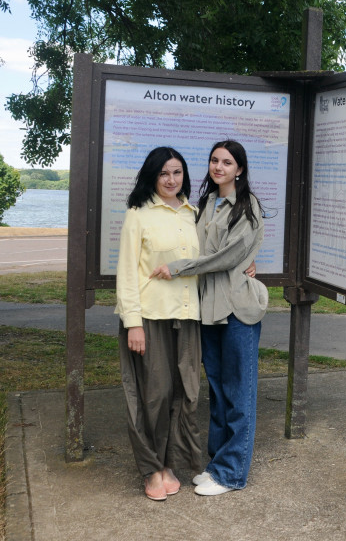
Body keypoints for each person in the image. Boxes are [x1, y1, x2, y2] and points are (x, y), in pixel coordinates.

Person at [151, 140, 268, 497]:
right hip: (208, 311)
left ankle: (232, 474)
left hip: (237, 311)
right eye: (214, 160)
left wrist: (178, 268)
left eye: (227, 162)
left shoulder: (247, 207)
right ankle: (218, 464)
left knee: (240, 393)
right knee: (218, 390)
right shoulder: (205, 204)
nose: (219, 167)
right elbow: (197, 246)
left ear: (240, 169)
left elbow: (223, 259)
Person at [114, 146, 204, 501]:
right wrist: (132, 322)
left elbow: (208, 259)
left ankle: (169, 464)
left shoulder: (192, 214)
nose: (171, 180)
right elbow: (126, 273)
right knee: (152, 396)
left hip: (187, 316)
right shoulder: (138, 215)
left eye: (177, 172)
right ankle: (151, 469)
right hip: (149, 317)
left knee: (183, 395)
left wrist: (248, 263)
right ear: (153, 175)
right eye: (164, 173)